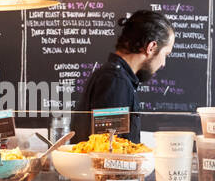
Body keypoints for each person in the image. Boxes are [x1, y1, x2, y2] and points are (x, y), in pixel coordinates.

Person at [71, 10, 175, 143]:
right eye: (166, 54)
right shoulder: (116, 82)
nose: (163, 64)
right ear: (151, 47)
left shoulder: (113, 77)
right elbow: (108, 149)